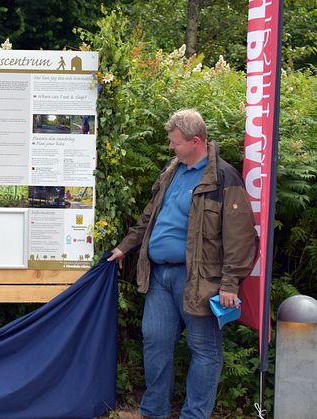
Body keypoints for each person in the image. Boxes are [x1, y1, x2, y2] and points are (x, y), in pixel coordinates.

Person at [107, 109, 256, 418]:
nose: (171, 148)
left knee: (204, 350)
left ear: (196, 141)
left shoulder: (223, 178)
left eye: (175, 142)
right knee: (155, 343)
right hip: (159, 276)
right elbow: (149, 218)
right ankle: (154, 411)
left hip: (200, 280)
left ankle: (194, 415)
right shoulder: (172, 171)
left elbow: (240, 238)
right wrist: (124, 248)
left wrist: (229, 284)